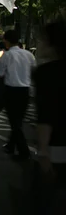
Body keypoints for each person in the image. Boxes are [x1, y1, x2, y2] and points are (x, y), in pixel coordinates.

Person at [32, 18, 66, 214]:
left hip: (57, 148)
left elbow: (46, 114)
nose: (39, 44)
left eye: (41, 39)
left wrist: (43, 151)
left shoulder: (46, 72)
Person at [0, 29, 36, 160]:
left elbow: (0, 74)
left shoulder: (6, 56)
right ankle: (10, 145)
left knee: (15, 122)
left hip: (11, 91)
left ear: (6, 41)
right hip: (25, 91)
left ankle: (24, 151)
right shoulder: (29, 54)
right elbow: (33, 71)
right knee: (18, 120)